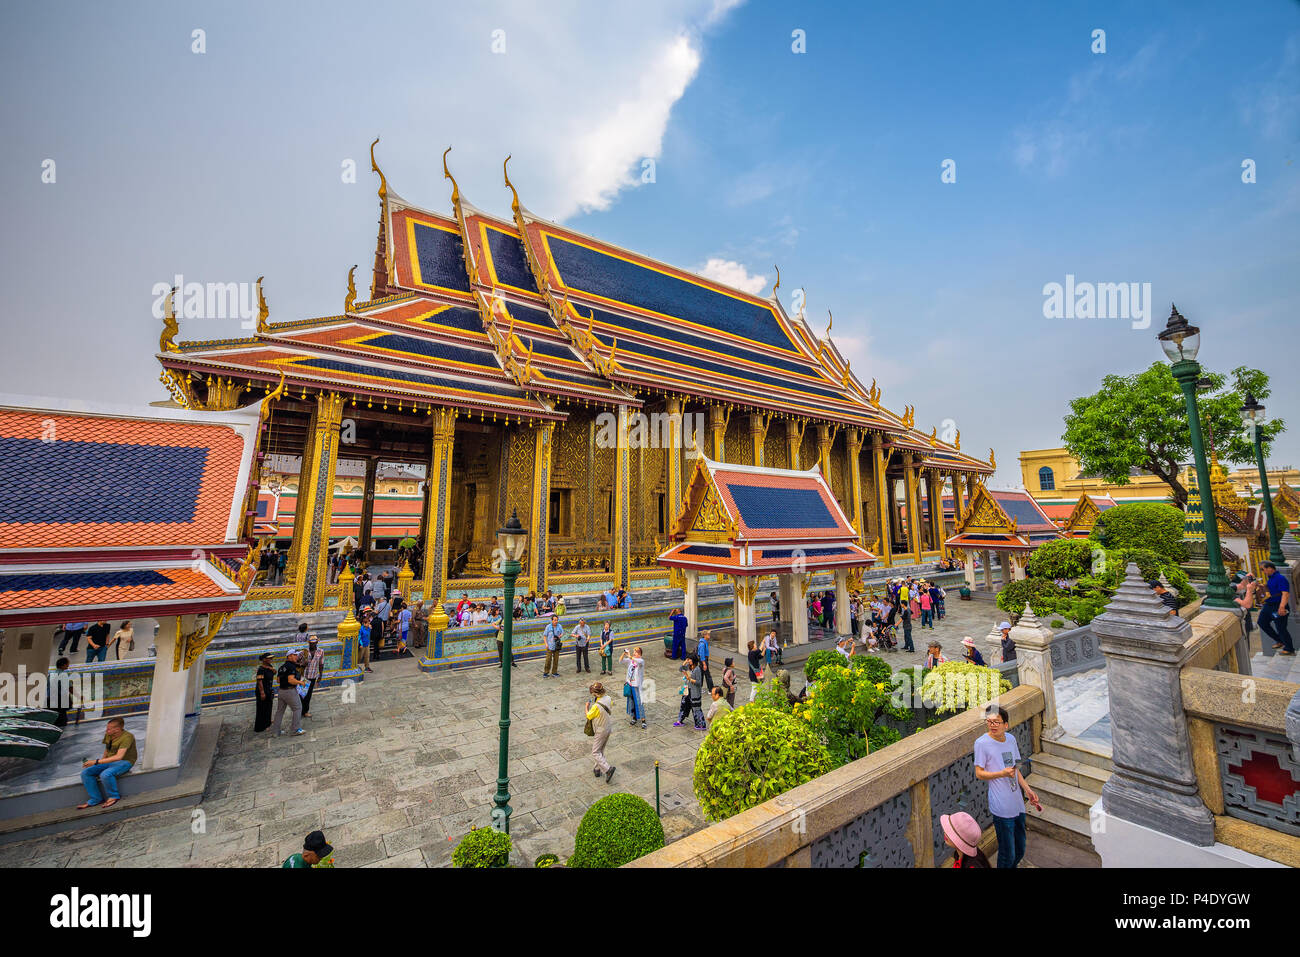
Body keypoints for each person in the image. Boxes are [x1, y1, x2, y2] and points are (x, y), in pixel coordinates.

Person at [973, 705, 1040, 869]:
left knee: (1020, 849)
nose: (992, 725)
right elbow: (979, 774)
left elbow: (1014, 769)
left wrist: (1028, 789)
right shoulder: (982, 743)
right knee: (1006, 853)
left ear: (1006, 725)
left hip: (1017, 802)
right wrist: (1001, 774)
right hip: (1000, 806)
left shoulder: (1010, 739)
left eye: (996, 722)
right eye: (989, 721)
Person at [76, 716, 136, 810]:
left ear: (117, 729)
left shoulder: (127, 737)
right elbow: (107, 750)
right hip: (110, 761)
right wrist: (100, 764)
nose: (106, 730)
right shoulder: (109, 735)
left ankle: (114, 796)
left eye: (108, 729)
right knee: (86, 773)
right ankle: (96, 799)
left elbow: (118, 757)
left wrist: (96, 761)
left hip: (125, 761)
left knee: (105, 774)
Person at [1258, 560, 1293, 655]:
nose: (1262, 572)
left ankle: (1289, 648)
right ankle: (1279, 640)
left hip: (1278, 605)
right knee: (1262, 622)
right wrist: (1262, 586)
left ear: (1270, 568)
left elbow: (1285, 594)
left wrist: (1281, 607)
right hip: (1269, 606)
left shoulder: (1280, 578)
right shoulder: (1271, 578)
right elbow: (1272, 590)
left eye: (1263, 569)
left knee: (1281, 627)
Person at [586, 682, 615, 783]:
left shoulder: (596, 706)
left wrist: (586, 707)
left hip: (600, 730)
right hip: (608, 727)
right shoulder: (608, 698)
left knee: (595, 751)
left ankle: (608, 769)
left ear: (596, 693)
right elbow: (610, 705)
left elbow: (589, 716)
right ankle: (597, 769)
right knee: (600, 749)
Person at [274, 650, 306, 736]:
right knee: (297, 708)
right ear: (289, 656)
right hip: (289, 691)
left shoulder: (281, 667)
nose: (296, 657)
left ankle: (275, 732)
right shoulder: (291, 666)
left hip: (281, 691)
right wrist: (300, 682)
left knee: (279, 711)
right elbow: (291, 680)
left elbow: (278, 680)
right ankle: (295, 730)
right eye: (295, 655)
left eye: (297, 655)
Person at [674, 654, 706, 730]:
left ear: (694, 660)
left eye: (690, 659)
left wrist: (689, 679)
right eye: (688, 659)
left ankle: (701, 724)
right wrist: (684, 662)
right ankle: (680, 720)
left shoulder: (697, 669)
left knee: (696, 708)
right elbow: (681, 669)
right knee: (683, 705)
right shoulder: (689, 666)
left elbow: (699, 682)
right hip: (687, 690)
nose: (689, 661)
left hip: (694, 691)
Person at [619, 646, 646, 728]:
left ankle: (643, 720)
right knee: (631, 701)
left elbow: (637, 660)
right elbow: (620, 661)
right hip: (630, 684)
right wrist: (624, 653)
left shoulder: (641, 661)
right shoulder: (631, 660)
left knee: (639, 702)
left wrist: (630, 656)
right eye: (634, 652)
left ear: (640, 654)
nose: (634, 653)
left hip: (637, 685)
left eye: (636, 652)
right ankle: (634, 717)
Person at [300, 636, 325, 717]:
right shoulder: (304, 652)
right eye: (311, 643)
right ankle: (300, 710)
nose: (312, 645)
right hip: (304, 676)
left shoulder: (320, 651)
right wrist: (302, 664)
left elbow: (321, 664)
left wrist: (320, 675)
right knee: (302, 694)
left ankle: (305, 711)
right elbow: (296, 661)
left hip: (313, 676)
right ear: (309, 643)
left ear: (317, 643)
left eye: (314, 643)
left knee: (308, 694)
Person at [254, 652, 276, 732]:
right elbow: (259, 682)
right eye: (269, 658)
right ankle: (262, 725)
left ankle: (268, 721)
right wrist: (262, 692)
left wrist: (272, 669)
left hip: (269, 689)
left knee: (268, 706)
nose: (271, 659)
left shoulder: (269, 666)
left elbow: (274, 672)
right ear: (264, 660)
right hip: (263, 690)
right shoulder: (261, 669)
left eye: (271, 658)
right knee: (262, 708)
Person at [48, 657, 73, 727]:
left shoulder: (51, 674)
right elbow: (70, 688)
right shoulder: (63, 675)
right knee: (62, 719)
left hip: (51, 699)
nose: (68, 665)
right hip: (60, 700)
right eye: (67, 664)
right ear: (63, 665)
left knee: (55, 718)